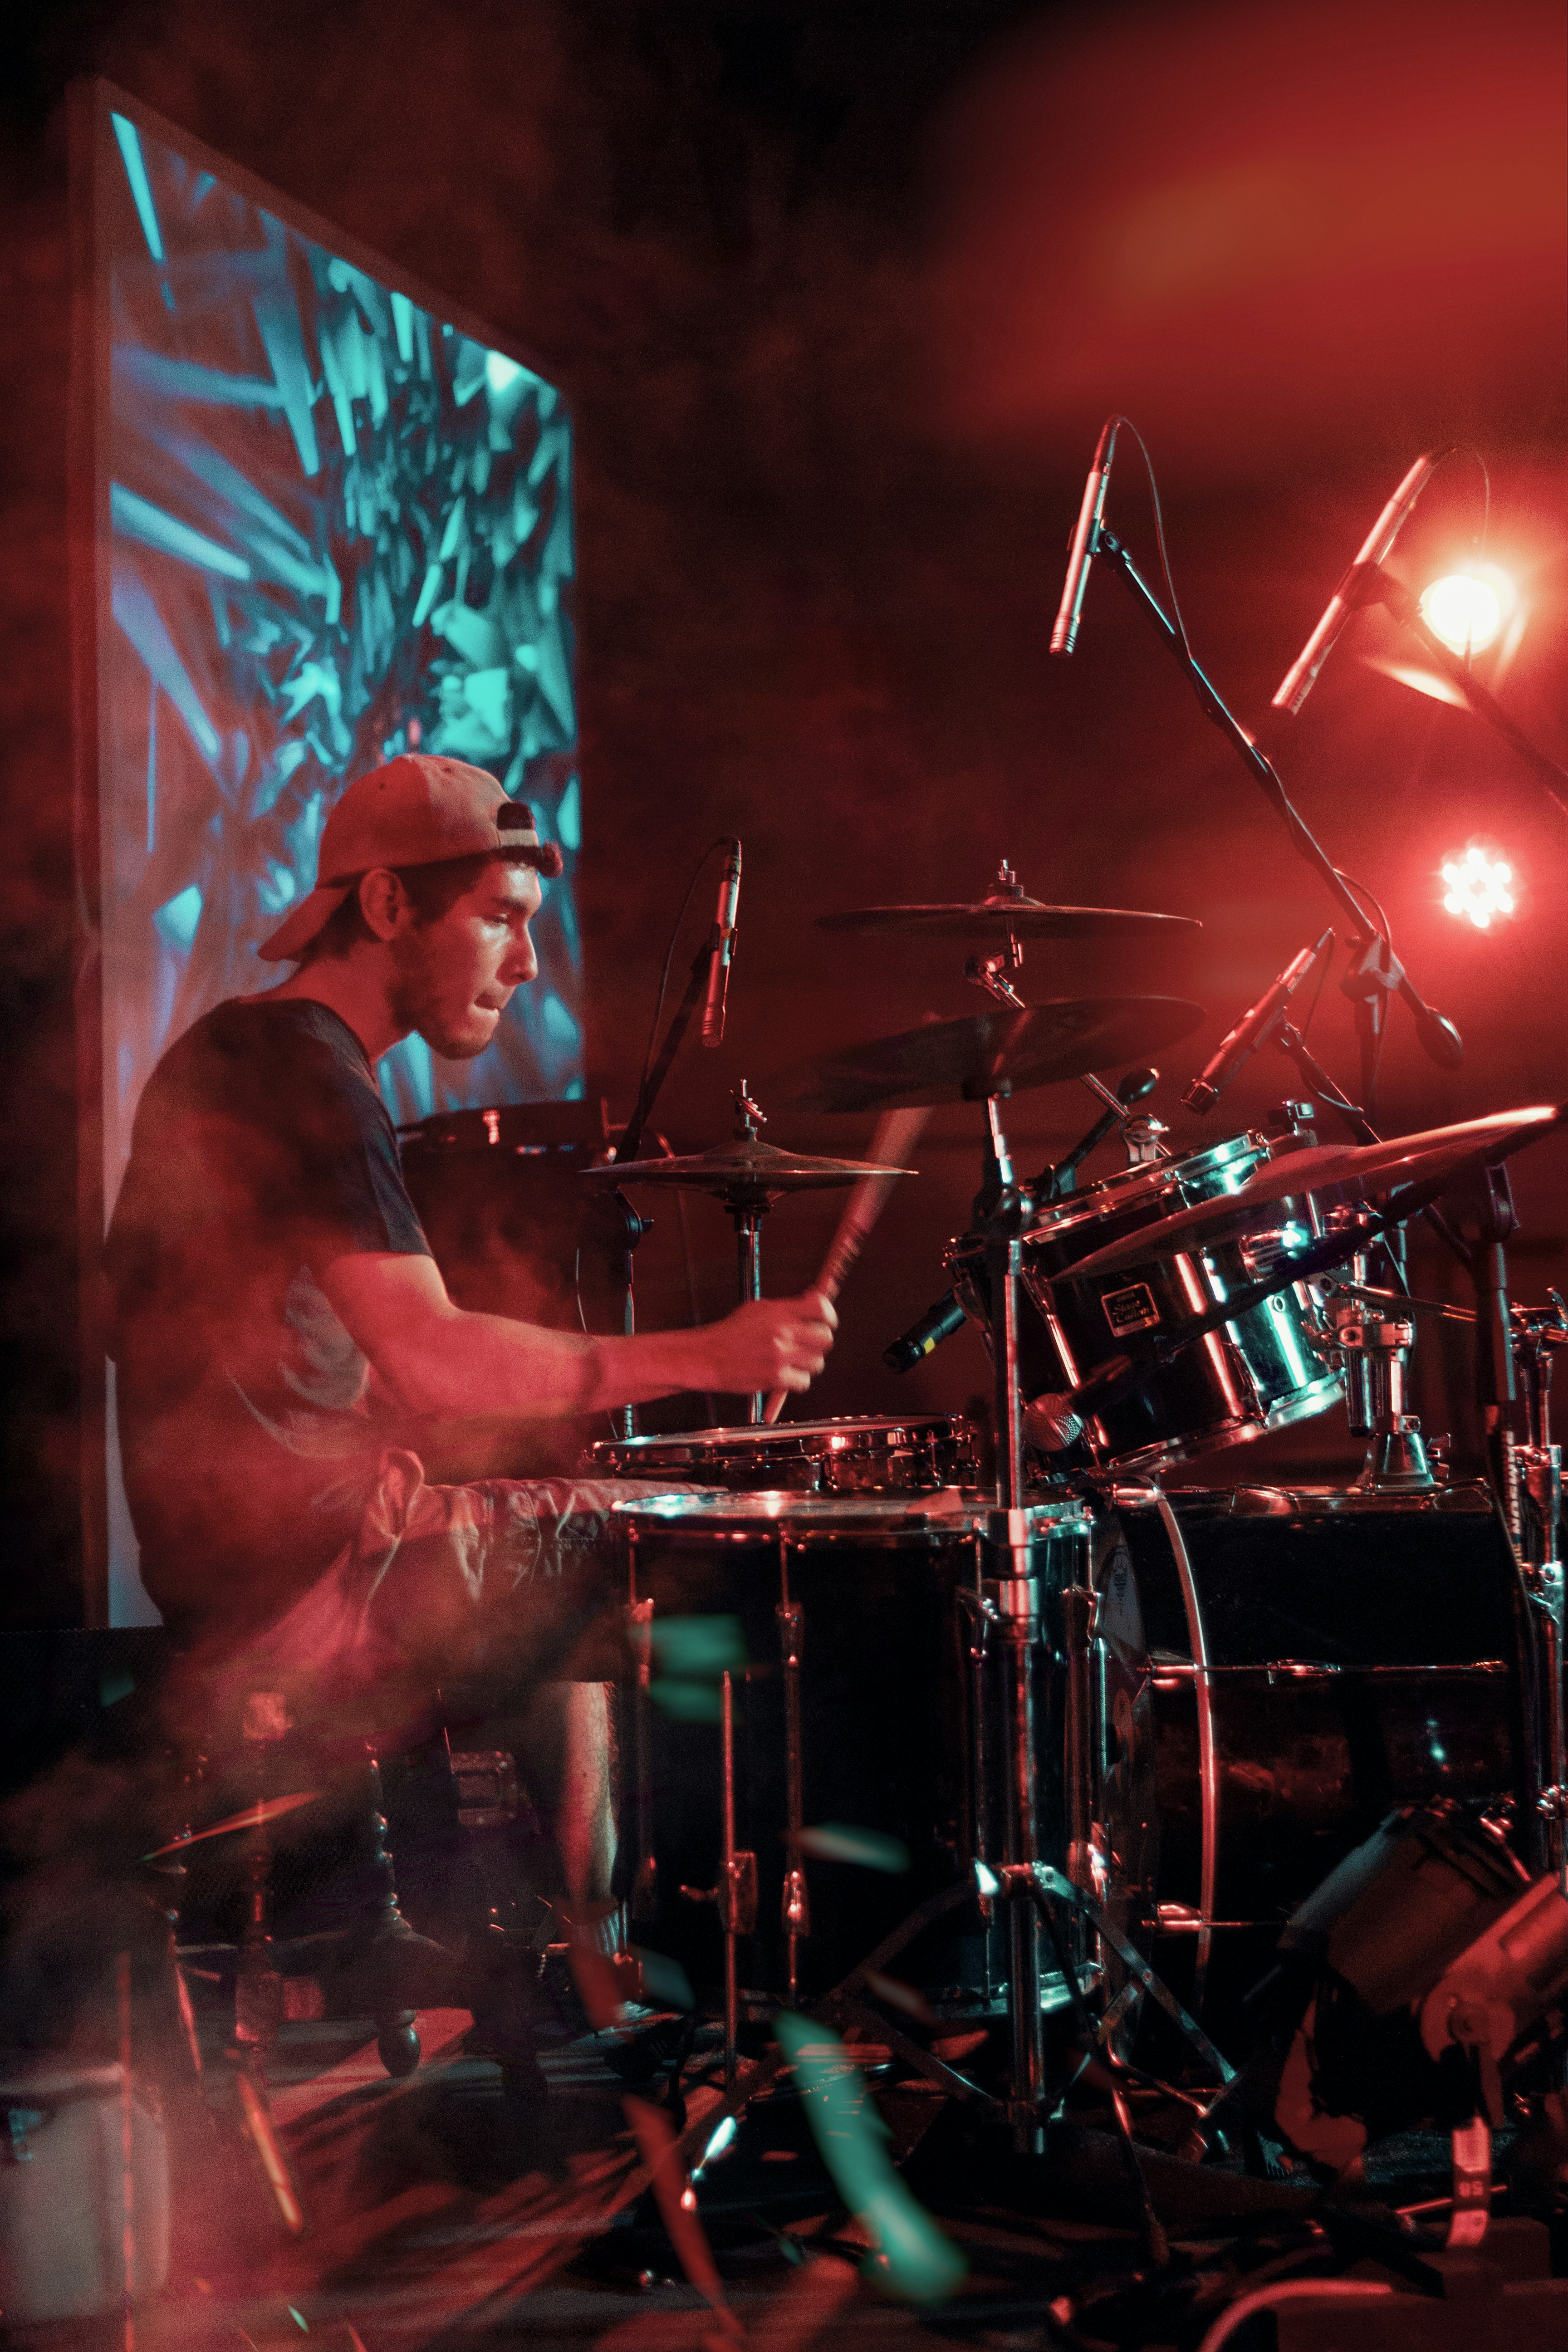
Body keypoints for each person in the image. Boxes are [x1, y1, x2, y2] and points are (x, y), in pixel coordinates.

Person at [104, 753, 835, 1992]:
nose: (529, 962)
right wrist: (705, 1356)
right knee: (670, 1545)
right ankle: (605, 1973)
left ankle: (526, 1946)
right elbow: (435, 1357)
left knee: (585, 1511)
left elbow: (249, 1356)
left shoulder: (252, 1058)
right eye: (499, 918)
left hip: (256, 1546)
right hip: (305, 1575)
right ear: (387, 907)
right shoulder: (305, 1074)